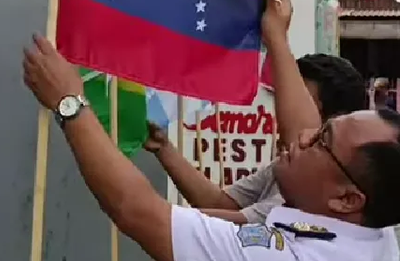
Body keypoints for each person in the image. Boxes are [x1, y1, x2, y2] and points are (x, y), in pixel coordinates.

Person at [23, 0, 400, 261]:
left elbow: (137, 211)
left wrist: (69, 102)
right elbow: (300, 135)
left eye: (321, 139)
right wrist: (276, 38)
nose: (302, 134)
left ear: (348, 199)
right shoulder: (369, 223)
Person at [143, 53, 367, 225]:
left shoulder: (315, 192)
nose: (283, 109)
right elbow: (221, 204)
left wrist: (139, 208)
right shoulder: (290, 164)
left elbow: (230, 223)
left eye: (300, 101)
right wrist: (164, 148)